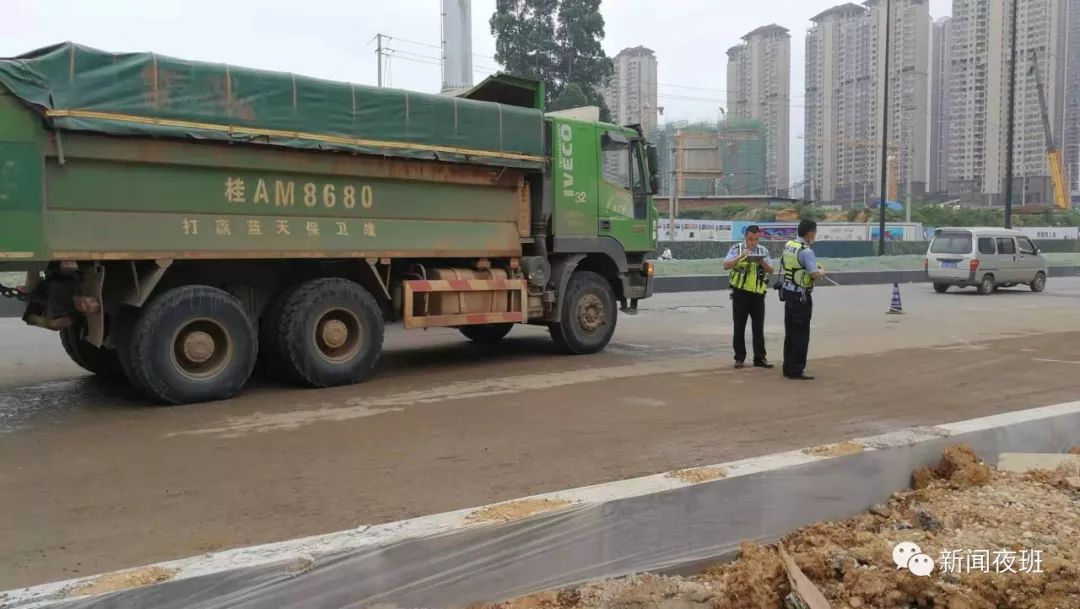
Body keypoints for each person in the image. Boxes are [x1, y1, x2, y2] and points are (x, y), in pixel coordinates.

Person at [780, 220, 826, 380]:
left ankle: (787, 367)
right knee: (801, 334)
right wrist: (822, 271)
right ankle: (797, 369)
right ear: (810, 234)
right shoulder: (806, 251)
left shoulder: (789, 245)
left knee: (790, 332)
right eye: (815, 233)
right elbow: (814, 274)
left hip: (788, 293)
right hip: (801, 296)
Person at [724, 225, 774, 369]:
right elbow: (726, 265)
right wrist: (742, 256)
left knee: (758, 327)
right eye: (751, 239)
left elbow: (771, 270)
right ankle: (739, 358)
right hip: (740, 294)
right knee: (739, 327)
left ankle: (760, 358)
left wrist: (761, 261)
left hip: (758, 295)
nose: (753, 242)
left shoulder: (763, 251)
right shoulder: (735, 249)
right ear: (745, 237)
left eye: (756, 239)